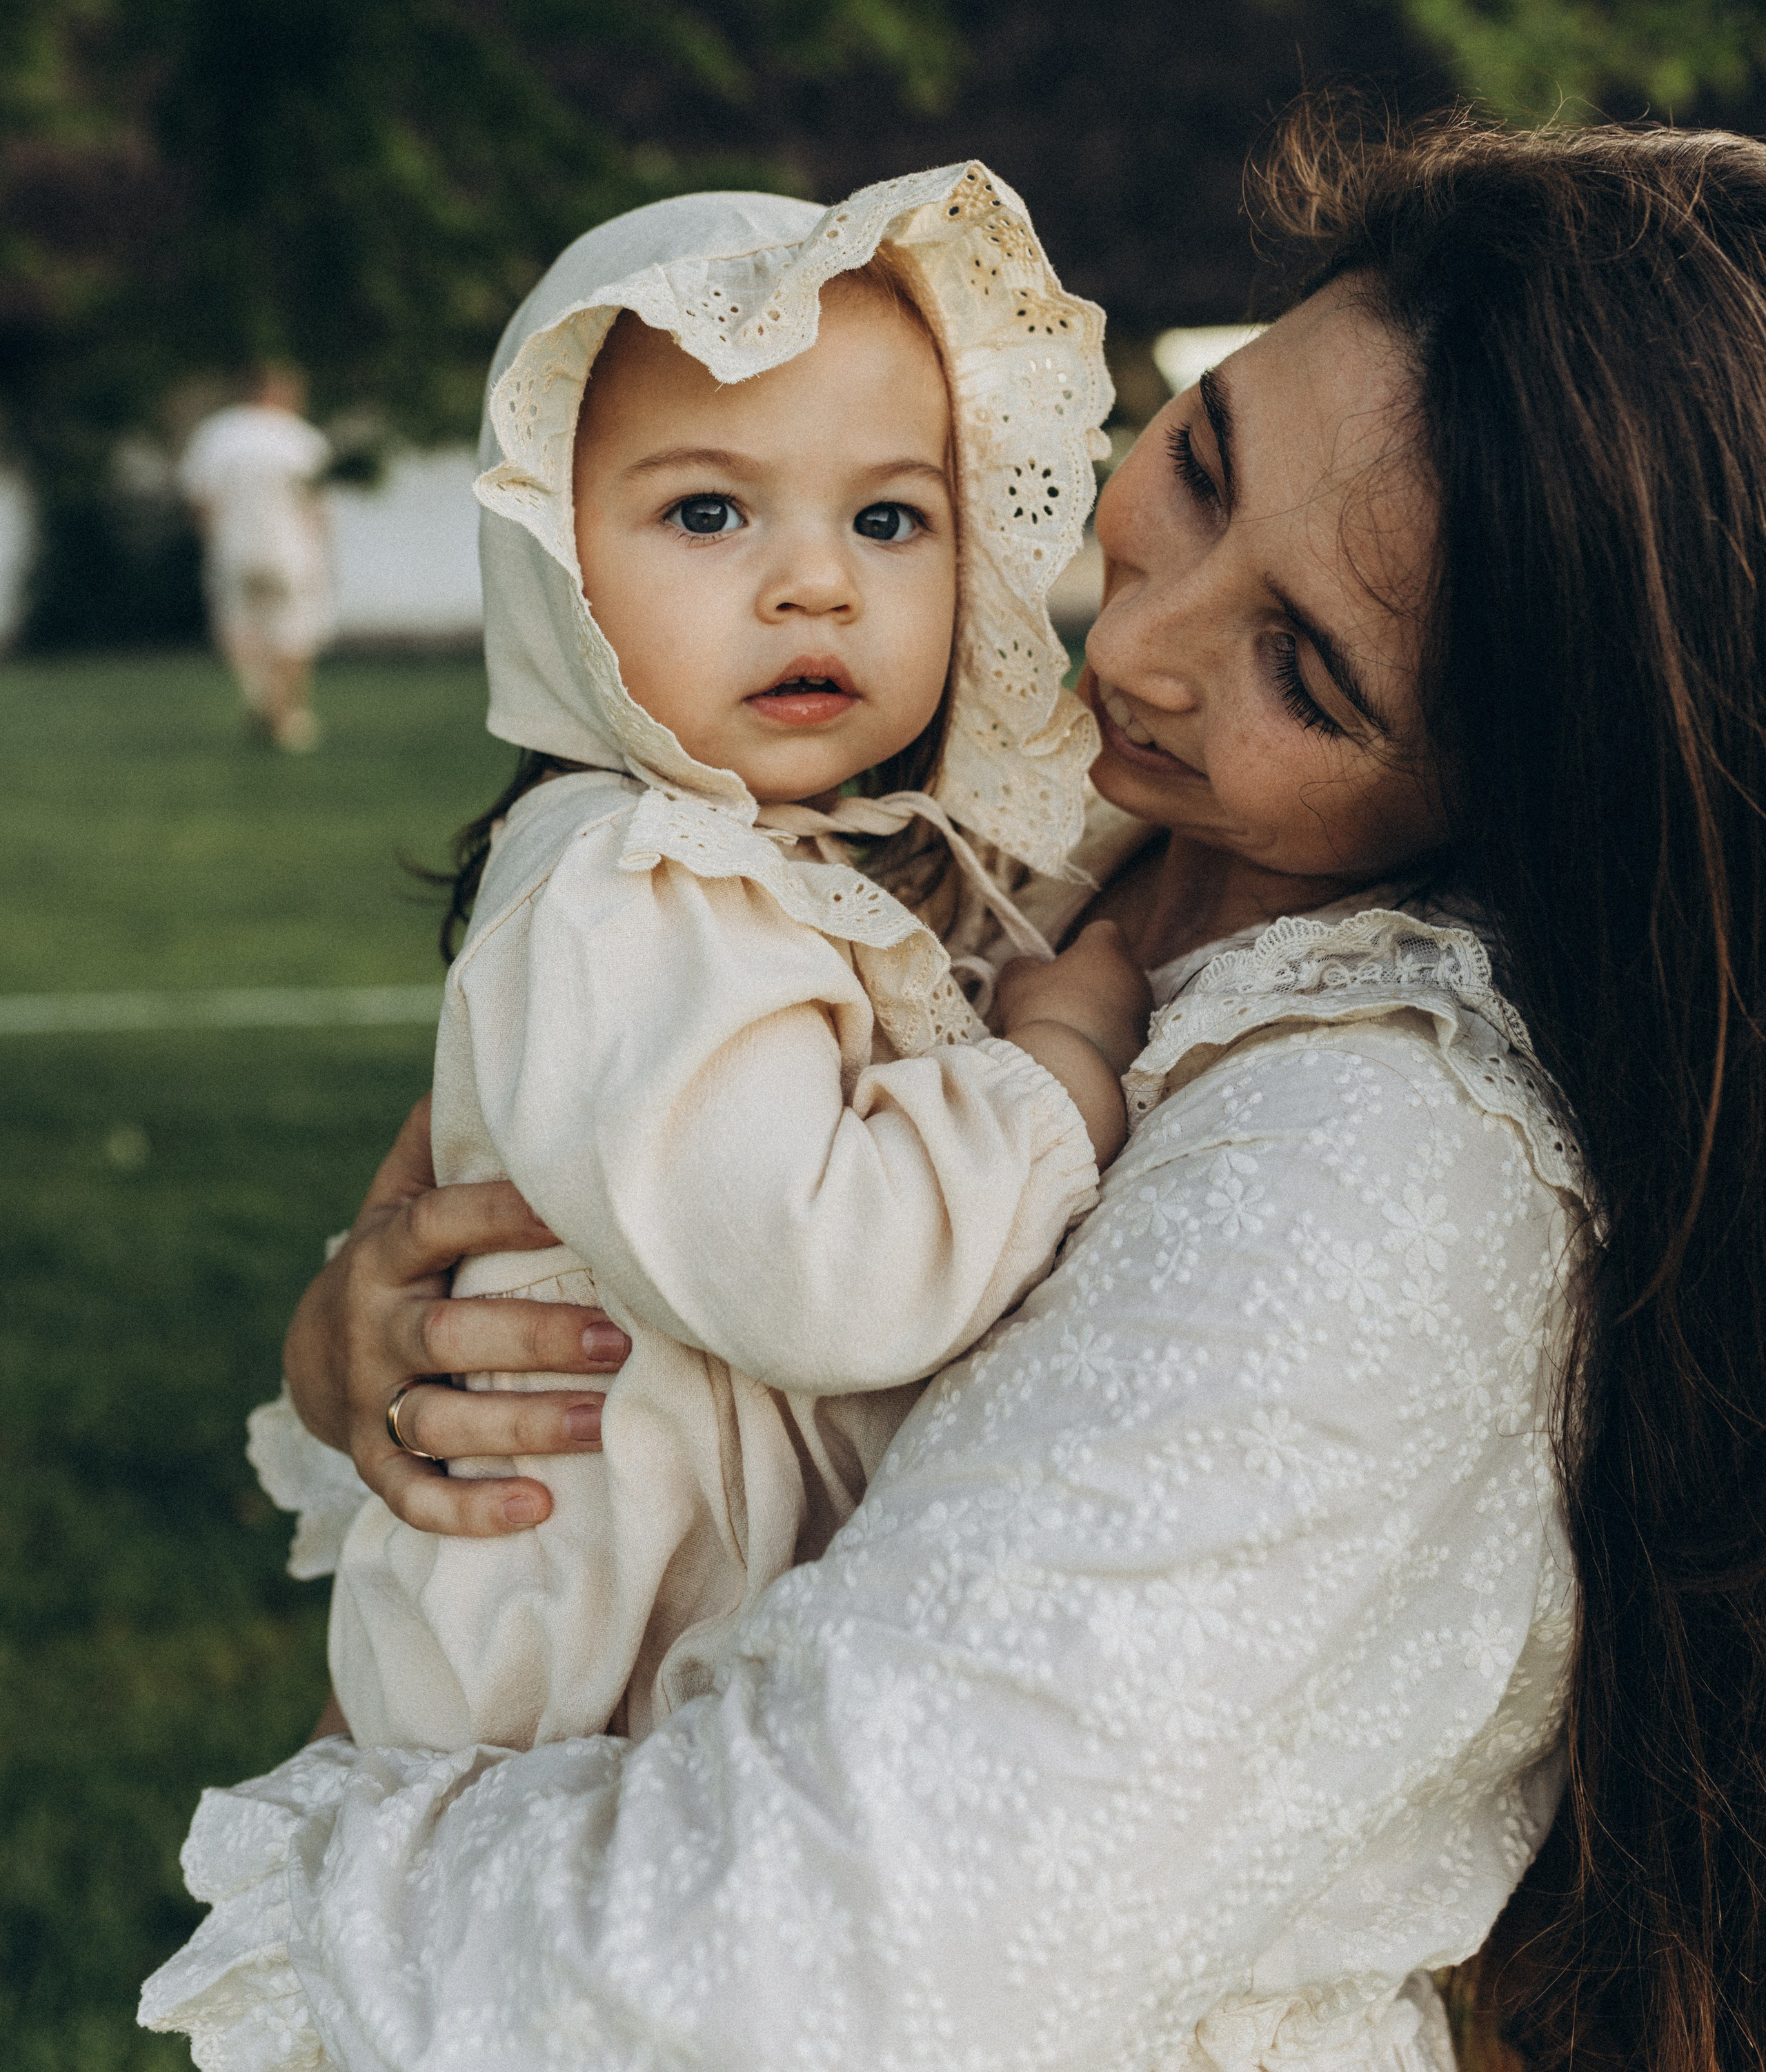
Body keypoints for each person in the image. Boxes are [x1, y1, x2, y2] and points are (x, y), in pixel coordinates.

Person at [143, 108, 1766, 2072]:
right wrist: (370, 1341)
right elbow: (564, 1202)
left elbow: (798, 1971)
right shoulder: (989, 829)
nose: (1139, 640)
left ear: (1544, 794)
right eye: (1202, 455)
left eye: (1311, 676)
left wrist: (339, 1850)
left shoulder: (1387, 1179)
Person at [313, 164, 1141, 1754]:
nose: (816, 580)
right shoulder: (630, 886)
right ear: (550, 557)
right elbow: (820, 1272)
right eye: (707, 509)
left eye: (887, 516)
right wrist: (1055, 1075)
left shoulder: (763, 861)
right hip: (589, 1692)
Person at [177, 362, 335, 752]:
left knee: (241, 628)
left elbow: (199, 500)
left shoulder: (218, 433)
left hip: (233, 547)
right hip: (290, 548)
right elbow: (316, 507)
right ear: (282, 392)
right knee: (294, 629)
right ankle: (287, 714)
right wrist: (321, 554)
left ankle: (263, 701)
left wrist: (213, 539)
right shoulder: (302, 438)